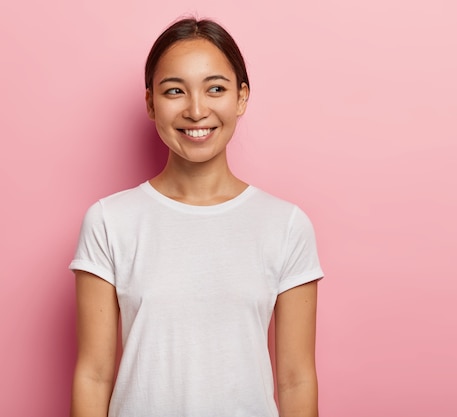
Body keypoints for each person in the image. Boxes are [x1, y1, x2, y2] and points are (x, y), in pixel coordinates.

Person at [69, 17, 323, 417]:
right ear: (151, 102)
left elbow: (296, 379)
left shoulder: (286, 225)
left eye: (215, 89)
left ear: (241, 98)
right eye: (174, 91)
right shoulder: (109, 221)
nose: (197, 110)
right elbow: (94, 374)